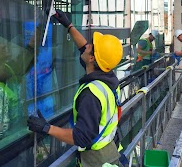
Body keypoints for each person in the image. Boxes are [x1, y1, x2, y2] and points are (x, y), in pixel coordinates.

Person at [27, 9, 124, 167]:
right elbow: (83, 47)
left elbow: (81, 137)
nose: (87, 45)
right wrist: (68, 24)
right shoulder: (108, 77)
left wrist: (46, 128)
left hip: (95, 161)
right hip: (110, 150)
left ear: (92, 58)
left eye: (91, 46)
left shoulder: (91, 94)